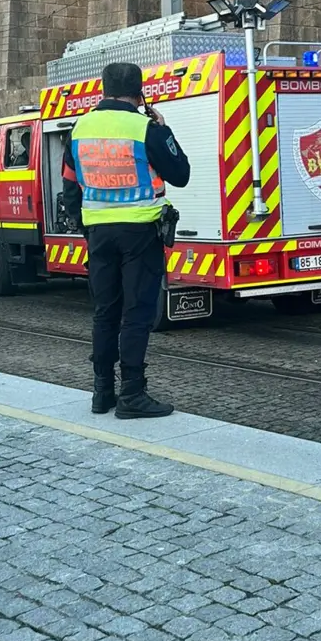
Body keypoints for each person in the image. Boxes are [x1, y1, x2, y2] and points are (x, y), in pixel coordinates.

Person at [62, 62, 190, 419]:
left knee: (104, 313)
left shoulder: (80, 128)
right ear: (140, 93)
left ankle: (101, 392)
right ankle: (132, 394)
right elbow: (181, 174)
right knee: (136, 314)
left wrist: (86, 226)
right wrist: (166, 131)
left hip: (99, 234)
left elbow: (69, 185)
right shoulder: (145, 127)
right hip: (140, 232)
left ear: (103, 91)